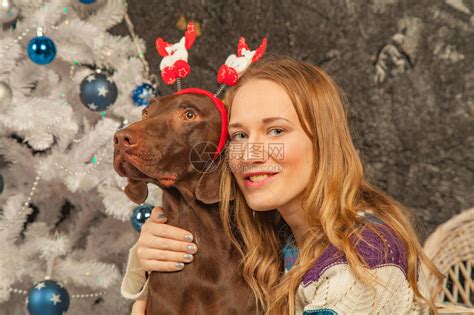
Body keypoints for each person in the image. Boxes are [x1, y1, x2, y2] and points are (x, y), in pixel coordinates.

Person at [121, 55, 444, 314]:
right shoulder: (275, 232)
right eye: (240, 135)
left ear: (323, 142)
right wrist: (146, 256)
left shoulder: (365, 259)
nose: (251, 153)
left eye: (276, 131)